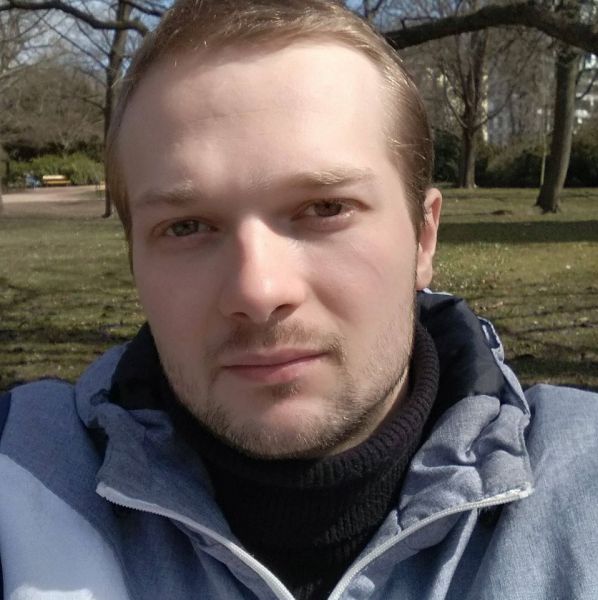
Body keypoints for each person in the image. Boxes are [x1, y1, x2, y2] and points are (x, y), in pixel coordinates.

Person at [1, 1, 597, 598]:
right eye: (186, 226)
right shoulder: (18, 473)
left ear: (423, 237)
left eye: (325, 208)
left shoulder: (584, 481)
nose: (258, 292)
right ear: (135, 258)